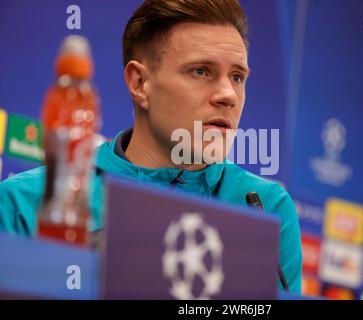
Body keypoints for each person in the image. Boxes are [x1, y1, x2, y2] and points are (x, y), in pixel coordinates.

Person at [0, 0, 302, 293]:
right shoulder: (25, 204)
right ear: (140, 83)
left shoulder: (267, 209)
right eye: (201, 71)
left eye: (237, 76)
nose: (228, 95)